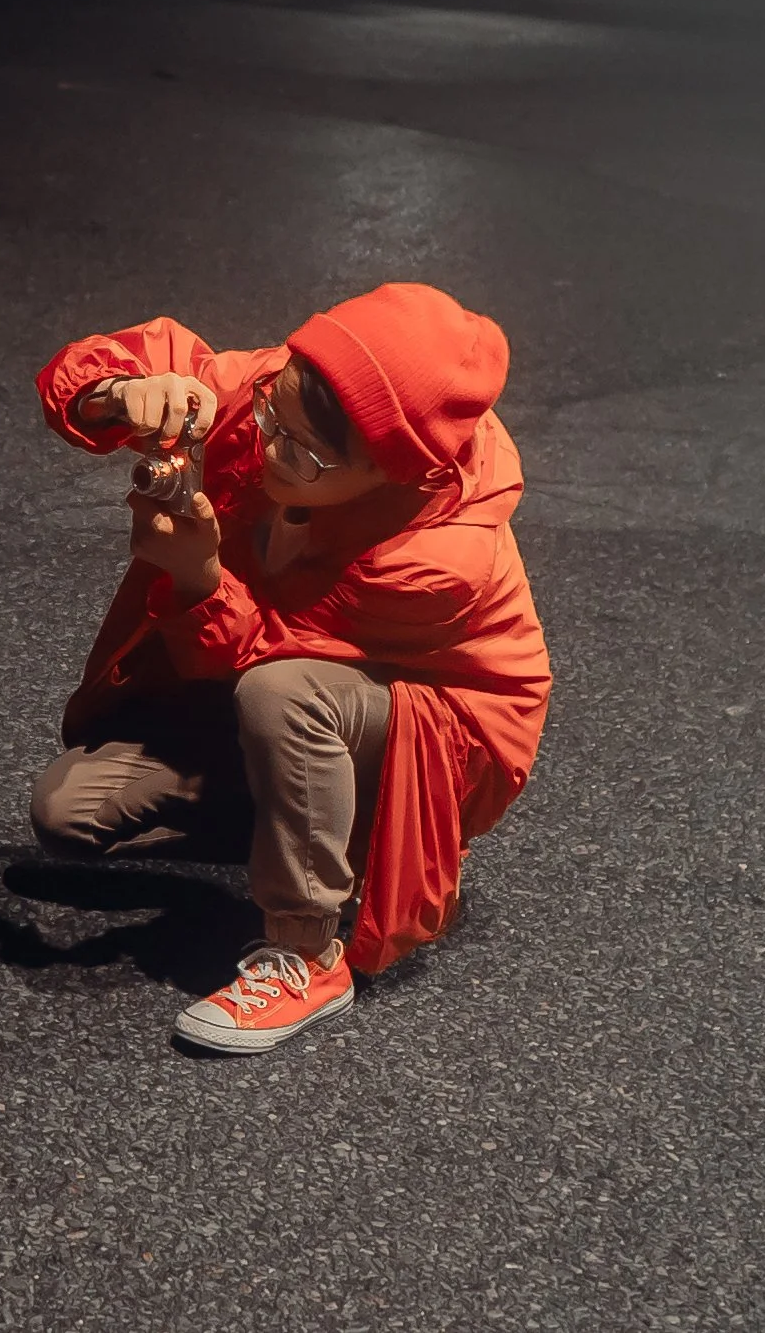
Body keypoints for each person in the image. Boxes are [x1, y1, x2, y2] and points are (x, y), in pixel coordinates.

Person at [30, 282, 551, 1053]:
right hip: (294, 689)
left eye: (302, 453)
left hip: (437, 726)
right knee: (68, 812)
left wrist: (198, 577)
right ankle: (314, 829)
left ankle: (308, 954)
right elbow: (131, 367)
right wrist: (124, 393)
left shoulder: (438, 557)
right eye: (274, 412)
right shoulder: (293, 395)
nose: (270, 443)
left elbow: (267, 655)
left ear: (389, 472)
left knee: (284, 694)